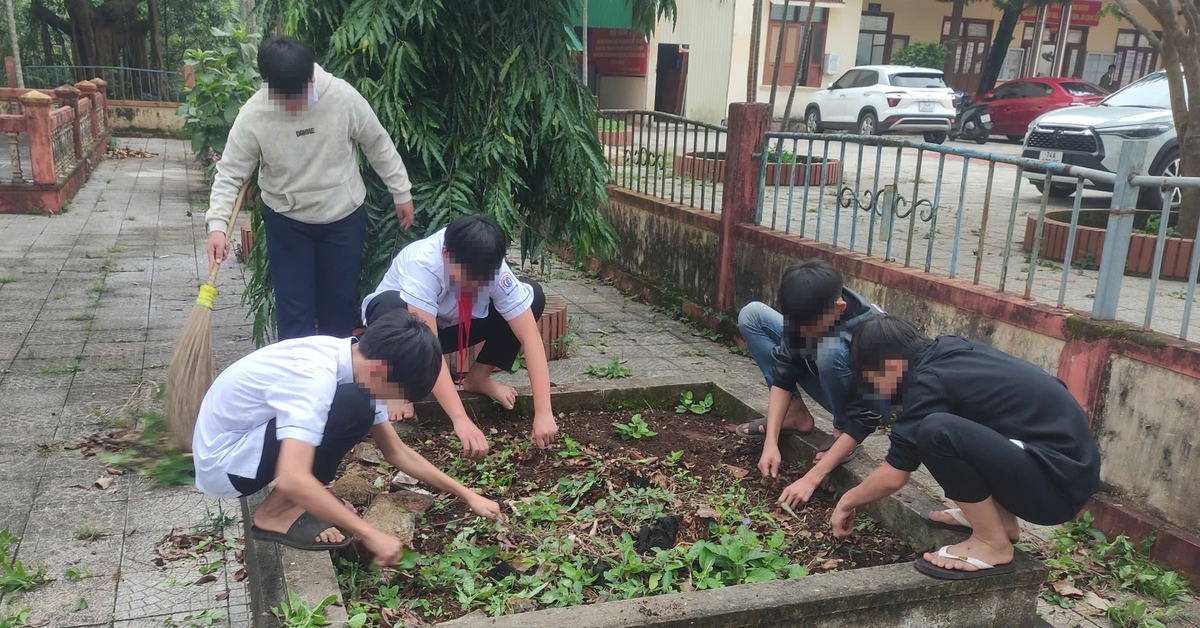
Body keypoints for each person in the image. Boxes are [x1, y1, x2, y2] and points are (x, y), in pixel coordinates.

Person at [192, 310, 500, 565]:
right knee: (353, 407)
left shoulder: (353, 357)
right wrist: (370, 533)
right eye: (399, 395)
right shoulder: (315, 379)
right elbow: (291, 478)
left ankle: (300, 504)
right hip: (225, 466)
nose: (396, 404)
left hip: (244, 441)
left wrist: (467, 494)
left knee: (356, 404)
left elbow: (396, 452)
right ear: (382, 371)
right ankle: (273, 514)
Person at [831, 315, 1100, 580]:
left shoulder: (924, 383)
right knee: (955, 428)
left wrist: (847, 500)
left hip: (1054, 490)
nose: (875, 391)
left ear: (890, 366)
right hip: (1063, 471)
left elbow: (895, 473)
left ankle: (992, 542)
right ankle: (1000, 522)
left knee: (936, 432)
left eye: (871, 381)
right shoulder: (949, 351)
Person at [205, 36, 415, 341]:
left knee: (339, 309)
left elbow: (377, 142)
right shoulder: (254, 115)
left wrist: (401, 191)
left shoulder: (342, 97)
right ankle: (298, 381)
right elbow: (230, 173)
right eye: (284, 99)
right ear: (269, 87)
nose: (294, 106)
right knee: (294, 311)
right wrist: (217, 226)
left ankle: (335, 381)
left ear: (312, 77)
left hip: (343, 217)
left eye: (299, 95)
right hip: (287, 222)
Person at [361, 214, 556, 459]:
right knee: (388, 305)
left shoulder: (493, 268)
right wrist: (460, 419)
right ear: (445, 254)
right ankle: (397, 388)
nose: (476, 284)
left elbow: (530, 337)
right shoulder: (423, 263)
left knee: (532, 297)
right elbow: (428, 346)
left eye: (483, 278)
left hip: (453, 326)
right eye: (470, 276)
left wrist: (544, 411)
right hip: (411, 332)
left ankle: (478, 378)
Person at [735, 259, 884, 507]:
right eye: (797, 325)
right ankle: (794, 414)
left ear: (840, 308)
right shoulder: (808, 313)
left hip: (862, 400)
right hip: (824, 368)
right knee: (752, 315)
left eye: (808, 327)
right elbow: (784, 369)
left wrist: (811, 479)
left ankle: (842, 431)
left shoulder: (870, 332)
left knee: (829, 351)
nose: (801, 332)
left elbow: (870, 414)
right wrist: (770, 443)